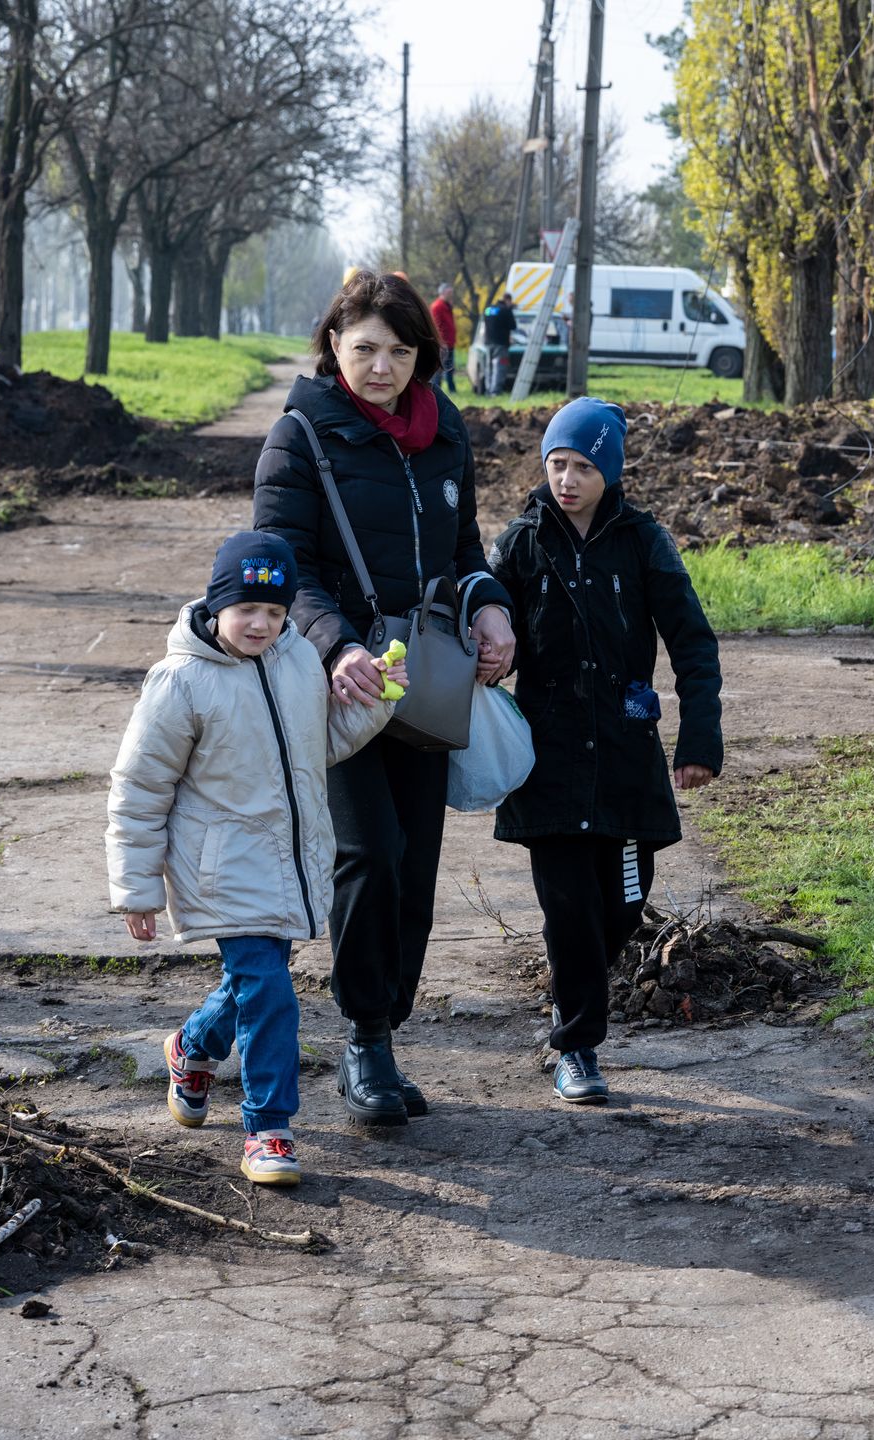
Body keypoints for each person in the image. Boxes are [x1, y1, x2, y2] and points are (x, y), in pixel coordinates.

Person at [253, 267, 517, 1126]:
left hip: (427, 687)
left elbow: (465, 552)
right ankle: (365, 1038)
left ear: (420, 356)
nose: (380, 367)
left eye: (398, 352)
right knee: (367, 857)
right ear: (334, 344)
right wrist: (336, 648)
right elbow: (286, 571)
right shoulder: (301, 437)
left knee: (415, 871)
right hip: (341, 687)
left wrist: (491, 609)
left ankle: (387, 1029)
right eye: (364, 348)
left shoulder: (446, 438)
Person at [105, 531, 406, 1185]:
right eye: (248, 610)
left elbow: (317, 745)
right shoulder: (180, 681)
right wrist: (136, 886)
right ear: (217, 605)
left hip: (290, 860)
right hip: (221, 866)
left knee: (254, 983)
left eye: (275, 612)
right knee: (272, 996)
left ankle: (192, 1048)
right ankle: (267, 1126)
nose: (262, 625)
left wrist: (378, 701)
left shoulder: (297, 661)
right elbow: (139, 784)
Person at [487, 398, 724, 1104]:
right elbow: (489, 626)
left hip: (624, 760)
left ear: (609, 471)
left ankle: (574, 1001)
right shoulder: (521, 542)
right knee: (567, 911)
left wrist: (700, 737)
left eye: (582, 466)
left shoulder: (644, 541)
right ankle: (579, 1045)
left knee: (622, 906)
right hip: (549, 761)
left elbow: (693, 642)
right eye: (556, 463)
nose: (566, 479)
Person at [480, 291, 518, 396]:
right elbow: (513, 326)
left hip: (488, 342)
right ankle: (495, 391)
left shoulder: (488, 309)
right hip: (501, 343)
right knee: (499, 367)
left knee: (488, 367)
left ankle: (488, 390)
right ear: (508, 300)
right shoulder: (506, 310)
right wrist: (510, 310)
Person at [431, 282, 459, 394]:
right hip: (443, 343)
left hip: (450, 342)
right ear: (442, 293)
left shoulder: (447, 306)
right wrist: (441, 341)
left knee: (449, 367)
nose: (451, 295)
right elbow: (436, 325)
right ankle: (435, 390)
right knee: (440, 368)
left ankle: (451, 389)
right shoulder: (437, 306)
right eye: (449, 293)